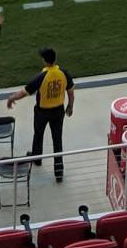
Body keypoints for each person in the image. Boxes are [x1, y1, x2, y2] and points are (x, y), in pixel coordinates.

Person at [6, 46, 75, 180]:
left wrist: (11, 98)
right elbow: (71, 92)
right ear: (55, 59)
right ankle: (59, 172)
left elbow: (24, 92)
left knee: (38, 135)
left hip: (42, 112)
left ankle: (37, 158)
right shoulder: (63, 73)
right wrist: (70, 106)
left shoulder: (41, 76)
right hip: (58, 111)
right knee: (57, 140)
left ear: (44, 61)